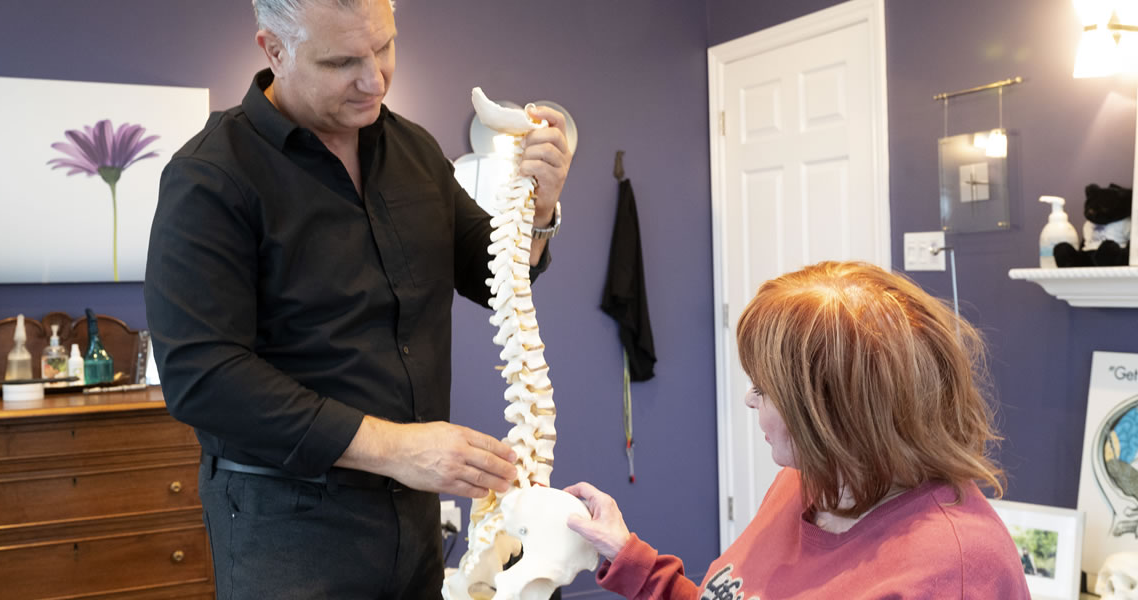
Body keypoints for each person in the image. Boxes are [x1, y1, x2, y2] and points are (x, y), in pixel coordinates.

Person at [143, 0, 573, 597]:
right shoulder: (211, 176)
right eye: (343, 60)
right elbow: (202, 377)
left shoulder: (415, 151)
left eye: (385, 48)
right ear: (274, 50)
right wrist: (396, 447)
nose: (374, 79)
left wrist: (541, 208)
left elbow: (492, 270)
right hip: (287, 524)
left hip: (414, 516)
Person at [565, 261, 1031, 599]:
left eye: (763, 389)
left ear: (831, 411)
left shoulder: (958, 570)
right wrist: (630, 558)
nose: (749, 399)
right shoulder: (807, 481)